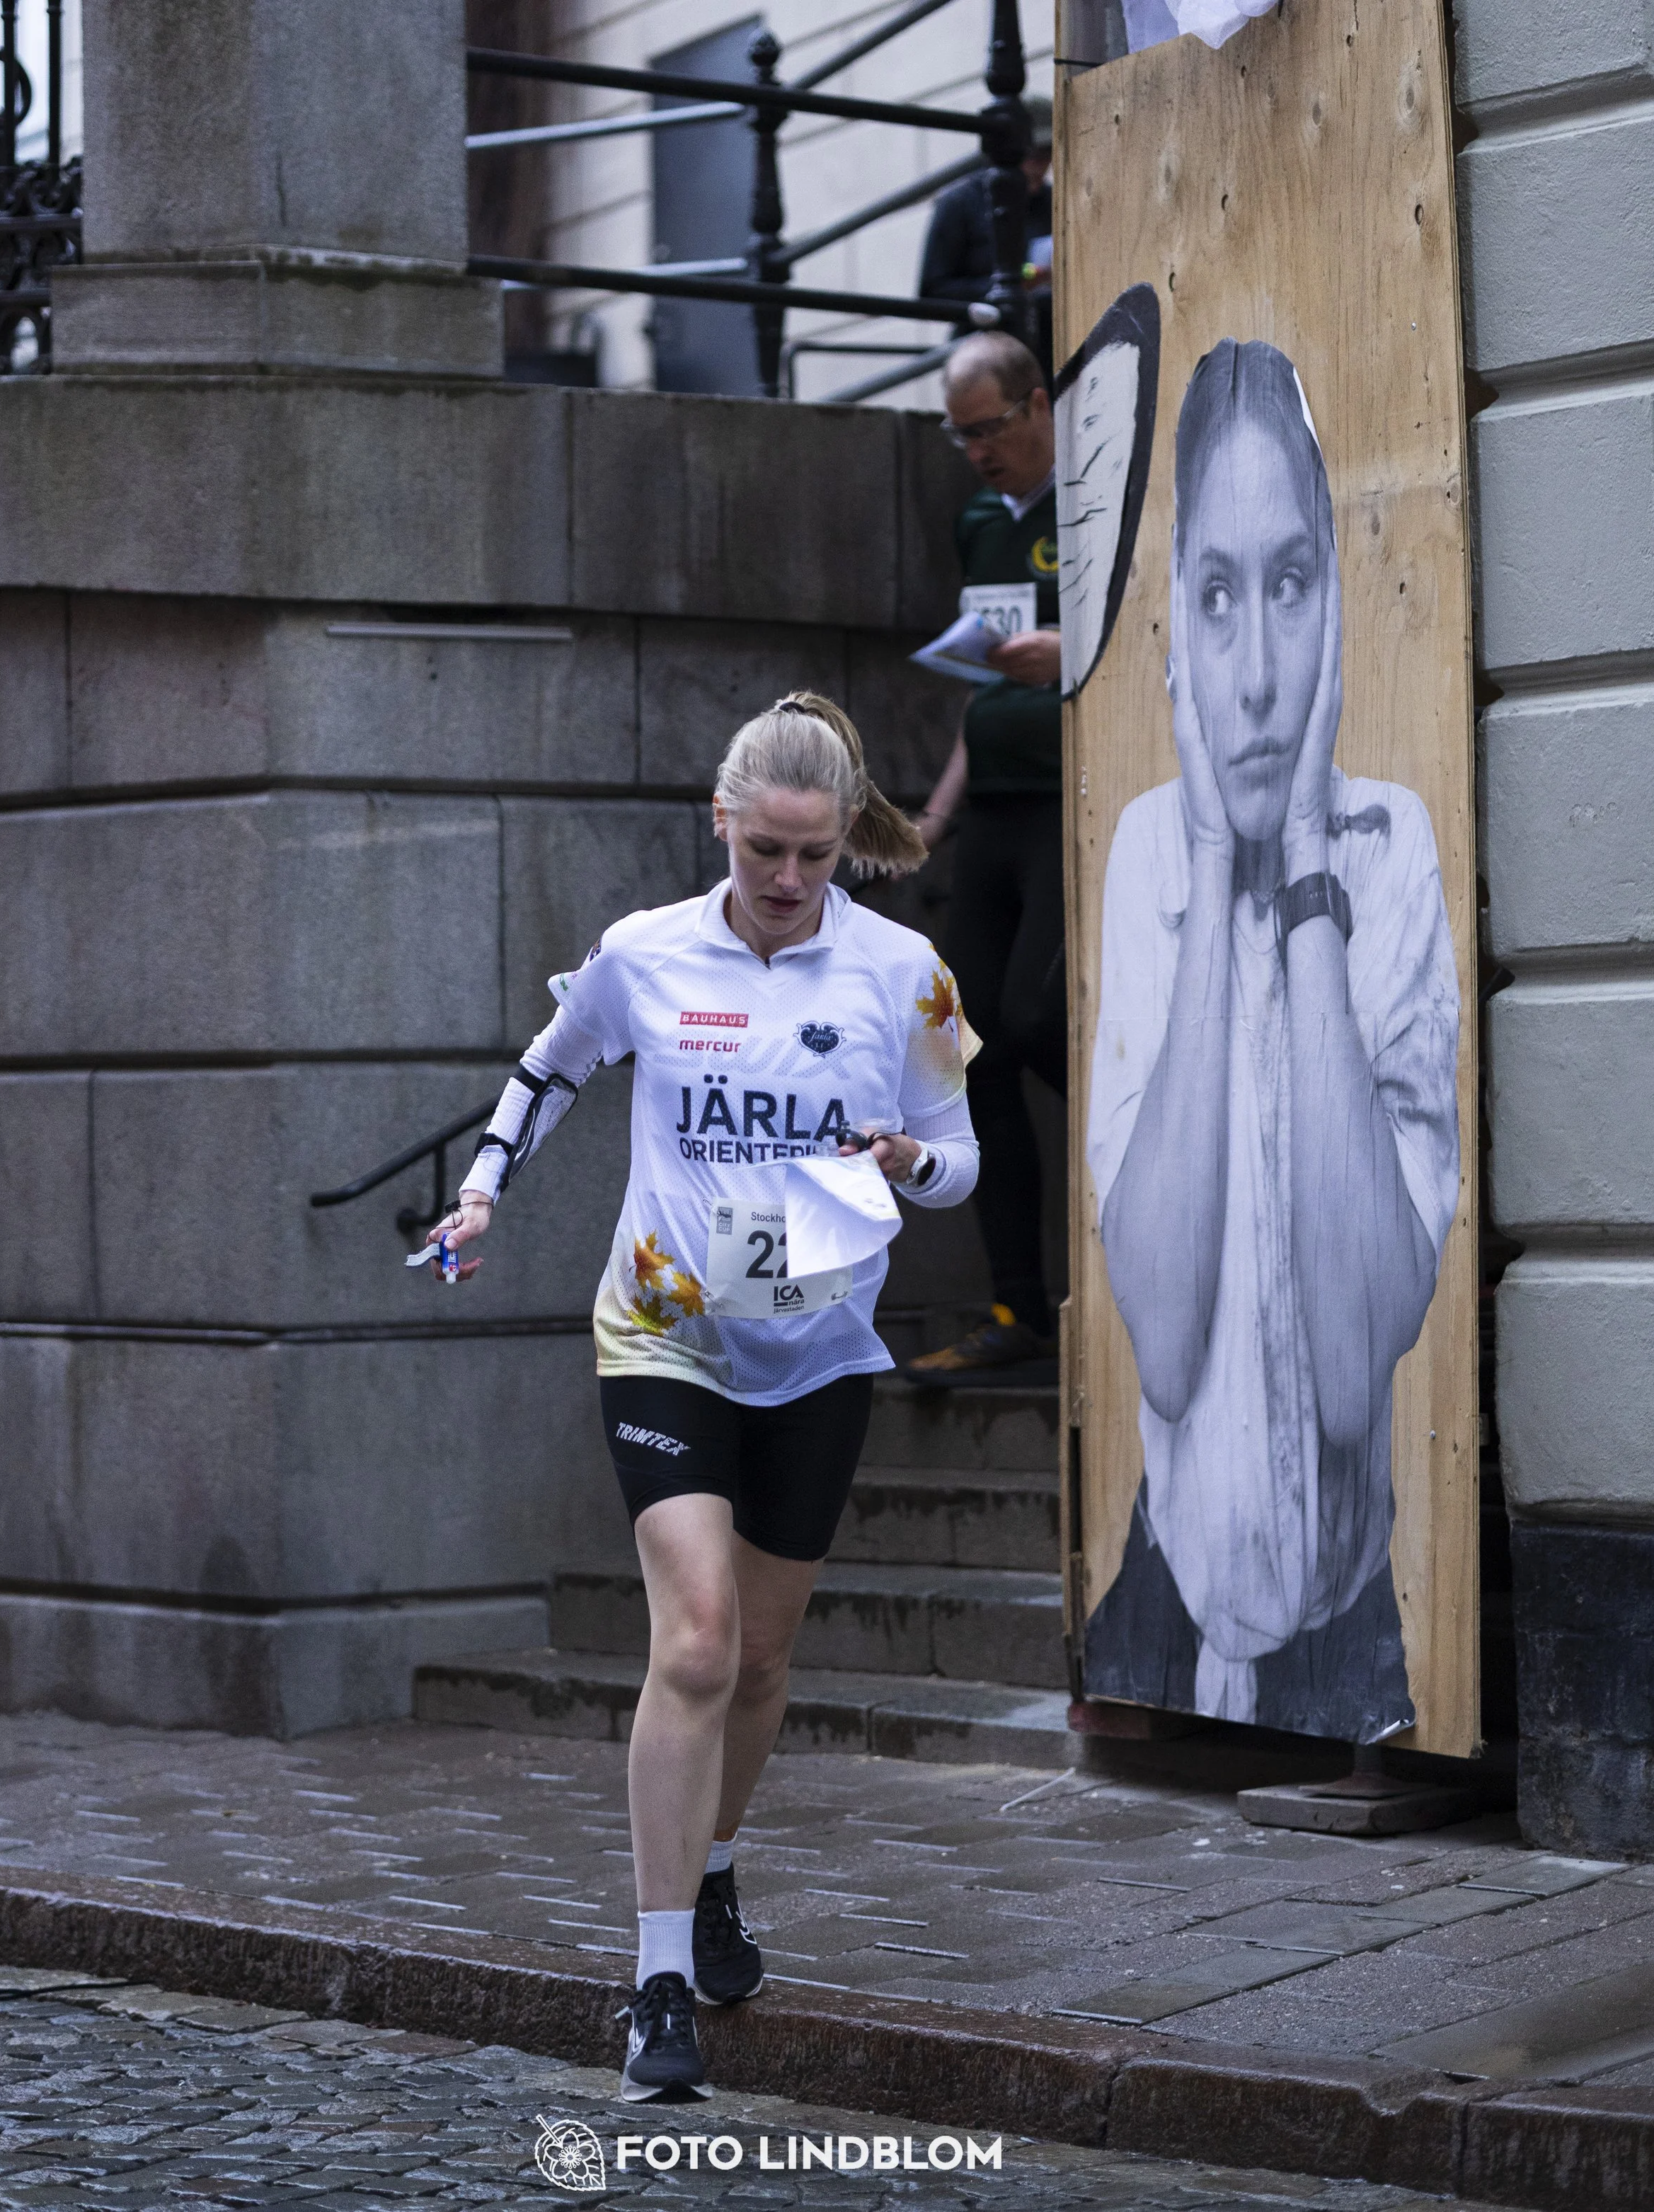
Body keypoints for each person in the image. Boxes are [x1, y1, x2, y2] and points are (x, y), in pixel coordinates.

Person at [424, 695, 980, 2101]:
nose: (787, 879)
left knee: (765, 1659)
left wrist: (910, 1161)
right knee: (698, 1642)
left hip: (817, 1349)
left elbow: (961, 1157)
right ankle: (658, 1979)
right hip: (662, 1334)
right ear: (718, 822)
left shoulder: (903, 972)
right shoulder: (645, 954)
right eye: (762, 850)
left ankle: (715, 1868)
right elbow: (550, 1066)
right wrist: (484, 1188)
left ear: (847, 840)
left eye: (815, 855)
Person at [1083, 340, 1460, 1741]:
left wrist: (1304, 862)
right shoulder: (1144, 853)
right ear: (1175, 636)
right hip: (1159, 1617)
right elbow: (1168, 1350)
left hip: (1347, 1645)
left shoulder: (1389, 846)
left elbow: (1355, 1373)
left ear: (1337, 614)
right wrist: (1205, 856)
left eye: (1290, 584)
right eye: (1215, 594)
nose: (1251, 677)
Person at [904, 331, 1068, 1381]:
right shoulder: (978, 521)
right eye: (959, 435)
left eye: (990, 428)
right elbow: (981, 690)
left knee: (1036, 1017)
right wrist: (933, 816)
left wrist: (1074, 649)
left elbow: (1164, 629)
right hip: (995, 811)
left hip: (1067, 803)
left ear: (1039, 405)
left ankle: (1170, 1152)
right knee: (970, 1051)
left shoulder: (1095, 502)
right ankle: (1017, 1309)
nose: (977, 451)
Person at [917, 96, 1054, 375]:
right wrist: (1009, 286)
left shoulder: (1055, 201)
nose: (1040, 165)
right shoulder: (959, 203)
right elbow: (932, 293)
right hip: (983, 353)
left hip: (1048, 350)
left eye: (1048, 153)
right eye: (1031, 154)